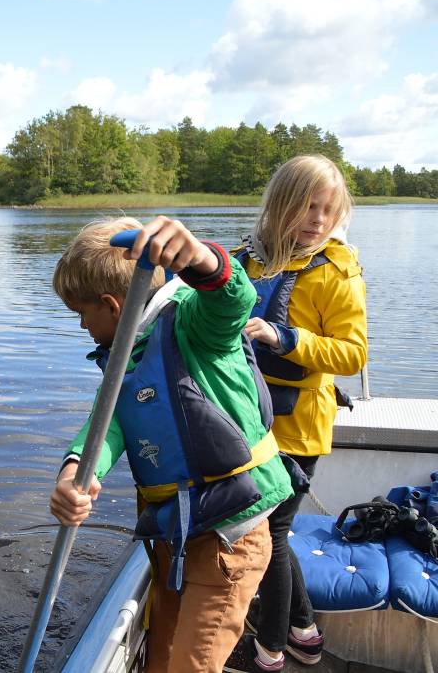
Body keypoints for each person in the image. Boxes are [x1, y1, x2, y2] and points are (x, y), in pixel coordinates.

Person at [50, 216, 295, 673]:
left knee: (192, 665)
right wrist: (75, 473)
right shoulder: (126, 356)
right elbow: (106, 425)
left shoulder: (196, 328)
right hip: (175, 537)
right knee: (159, 660)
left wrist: (201, 259)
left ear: (111, 304)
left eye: (82, 313)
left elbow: (232, 301)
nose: (82, 325)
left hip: (229, 536)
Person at [224, 155, 368, 672]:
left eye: (329, 209)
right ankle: (304, 634)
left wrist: (283, 337)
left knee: (270, 537)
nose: (319, 219)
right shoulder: (247, 260)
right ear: (280, 204)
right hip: (247, 421)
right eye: (308, 206)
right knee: (271, 534)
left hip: (299, 427)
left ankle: (269, 653)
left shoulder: (335, 271)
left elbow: (352, 354)